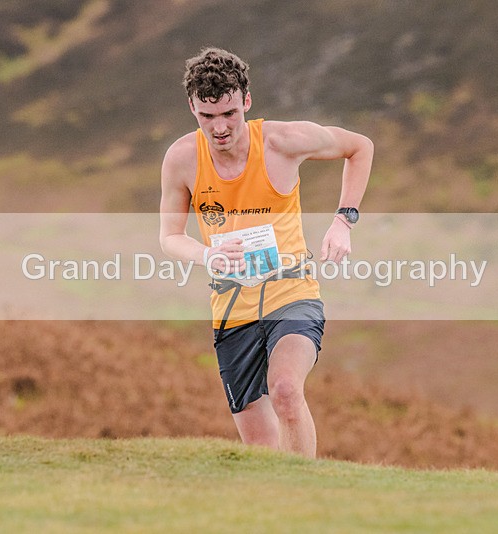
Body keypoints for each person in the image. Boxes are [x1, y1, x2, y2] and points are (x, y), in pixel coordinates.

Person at [159, 47, 373, 458]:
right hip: (232, 309)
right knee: (260, 449)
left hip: (292, 295)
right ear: (192, 107)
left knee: (287, 390)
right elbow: (169, 237)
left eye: (230, 114)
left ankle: (306, 504)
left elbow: (360, 147)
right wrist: (209, 256)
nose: (220, 128)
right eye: (207, 117)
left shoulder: (282, 141)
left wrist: (344, 221)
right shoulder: (181, 159)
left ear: (246, 101)